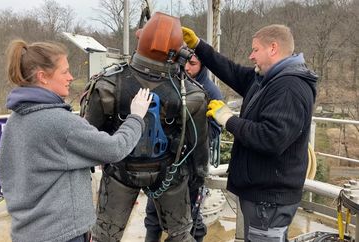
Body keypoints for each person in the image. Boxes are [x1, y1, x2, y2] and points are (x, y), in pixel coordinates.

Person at [0, 39, 152, 242]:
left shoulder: (17, 120)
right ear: (42, 77)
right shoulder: (59, 122)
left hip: (27, 232)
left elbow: (8, 173)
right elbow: (115, 149)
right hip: (63, 234)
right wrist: (136, 117)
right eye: (64, 72)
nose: (71, 77)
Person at [182, 24, 318, 241]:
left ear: (273, 48)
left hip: (270, 200)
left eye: (255, 50)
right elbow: (232, 71)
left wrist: (228, 119)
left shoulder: (289, 86)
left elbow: (271, 138)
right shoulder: (266, 79)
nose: (251, 56)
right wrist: (199, 46)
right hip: (261, 196)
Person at [82, 12, 210, 242]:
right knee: (181, 235)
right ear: (178, 52)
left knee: (104, 237)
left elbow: (88, 137)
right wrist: (198, 177)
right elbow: (199, 147)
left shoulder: (107, 84)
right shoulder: (192, 93)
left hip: (120, 172)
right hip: (169, 173)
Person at [144, 53, 223, 242]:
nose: (187, 68)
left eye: (193, 64)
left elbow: (214, 129)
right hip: (164, 163)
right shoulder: (172, 83)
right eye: (184, 63)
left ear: (203, 65)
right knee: (153, 215)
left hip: (191, 167)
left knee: (191, 220)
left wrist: (184, 140)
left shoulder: (210, 91)